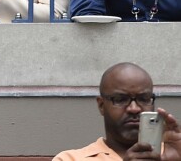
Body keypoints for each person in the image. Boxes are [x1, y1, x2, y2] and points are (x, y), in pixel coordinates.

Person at [53, 63, 181, 161]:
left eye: (143, 99)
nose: (134, 108)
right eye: (121, 99)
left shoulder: (172, 154)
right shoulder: (70, 159)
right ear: (101, 105)